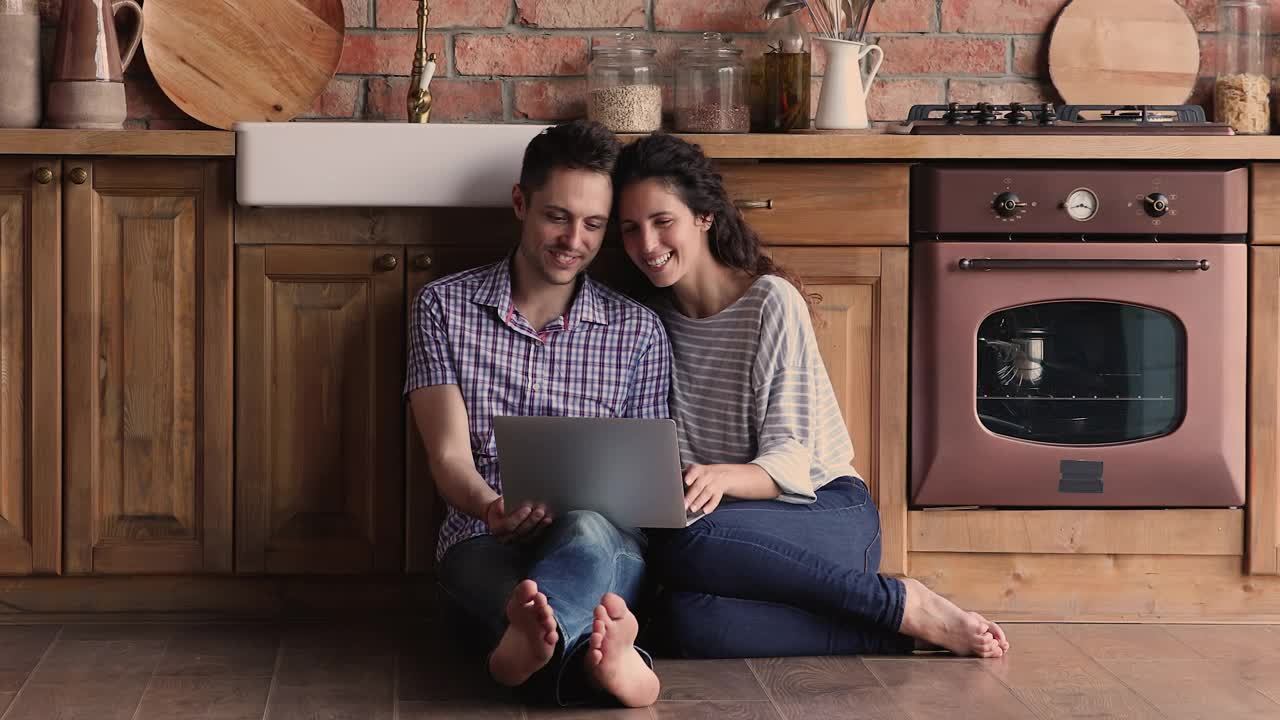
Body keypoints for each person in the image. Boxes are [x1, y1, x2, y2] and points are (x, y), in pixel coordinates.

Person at [613, 132, 1011, 659]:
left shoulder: (769, 302)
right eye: (630, 229)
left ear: (704, 217)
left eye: (663, 221)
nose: (647, 244)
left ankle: (899, 601)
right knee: (677, 621)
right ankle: (895, 630)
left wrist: (720, 475)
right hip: (730, 535)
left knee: (683, 543)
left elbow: (792, 461)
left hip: (825, 514)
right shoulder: (649, 322)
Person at [405, 121, 670, 707]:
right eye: (557, 216)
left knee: (584, 539)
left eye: (594, 224)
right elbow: (447, 455)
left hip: (601, 536)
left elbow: (644, 490)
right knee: (529, 598)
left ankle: (517, 661)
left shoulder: (639, 331)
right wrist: (489, 507)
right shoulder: (443, 308)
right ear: (521, 203)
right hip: (483, 537)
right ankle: (619, 664)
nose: (574, 239)